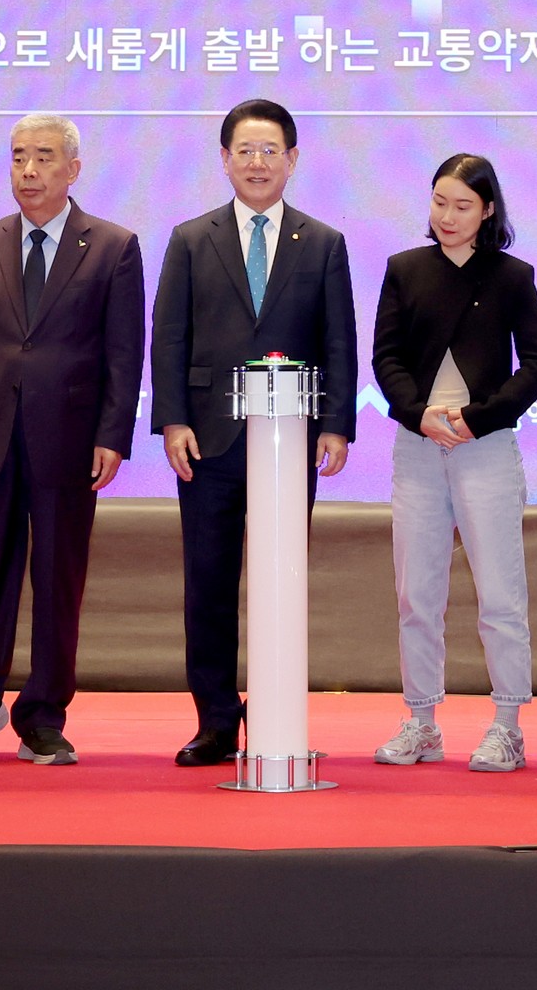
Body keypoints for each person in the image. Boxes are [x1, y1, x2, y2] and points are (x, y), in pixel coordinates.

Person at [148, 98, 358, 767]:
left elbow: (339, 341)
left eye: (271, 151)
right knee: (208, 585)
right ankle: (215, 721)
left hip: (290, 442)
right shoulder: (190, 238)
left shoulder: (323, 242)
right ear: (224, 159)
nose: (258, 163)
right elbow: (169, 336)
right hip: (207, 441)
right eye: (245, 150)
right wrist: (173, 420)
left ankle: (274, 713)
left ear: (293, 160)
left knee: (280, 581)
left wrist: (336, 425)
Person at [0, 113, 145, 766]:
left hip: (71, 437)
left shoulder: (112, 246)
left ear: (73, 169)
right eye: (18, 157)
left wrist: (113, 434)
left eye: (44, 157)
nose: (28, 170)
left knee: (58, 581)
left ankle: (43, 717)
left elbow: (124, 353)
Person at [370, 152, 537, 774]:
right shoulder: (405, 269)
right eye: (439, 202)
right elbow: (387, 357)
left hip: (486, 447)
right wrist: (416, 413)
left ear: (488, 210)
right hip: (419, 446)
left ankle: (507, 726)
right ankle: (421, 722)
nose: (447, 217)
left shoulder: (511, 276)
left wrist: (481, 418)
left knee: (500, 593)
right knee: (416, 593)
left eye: (463, 206)